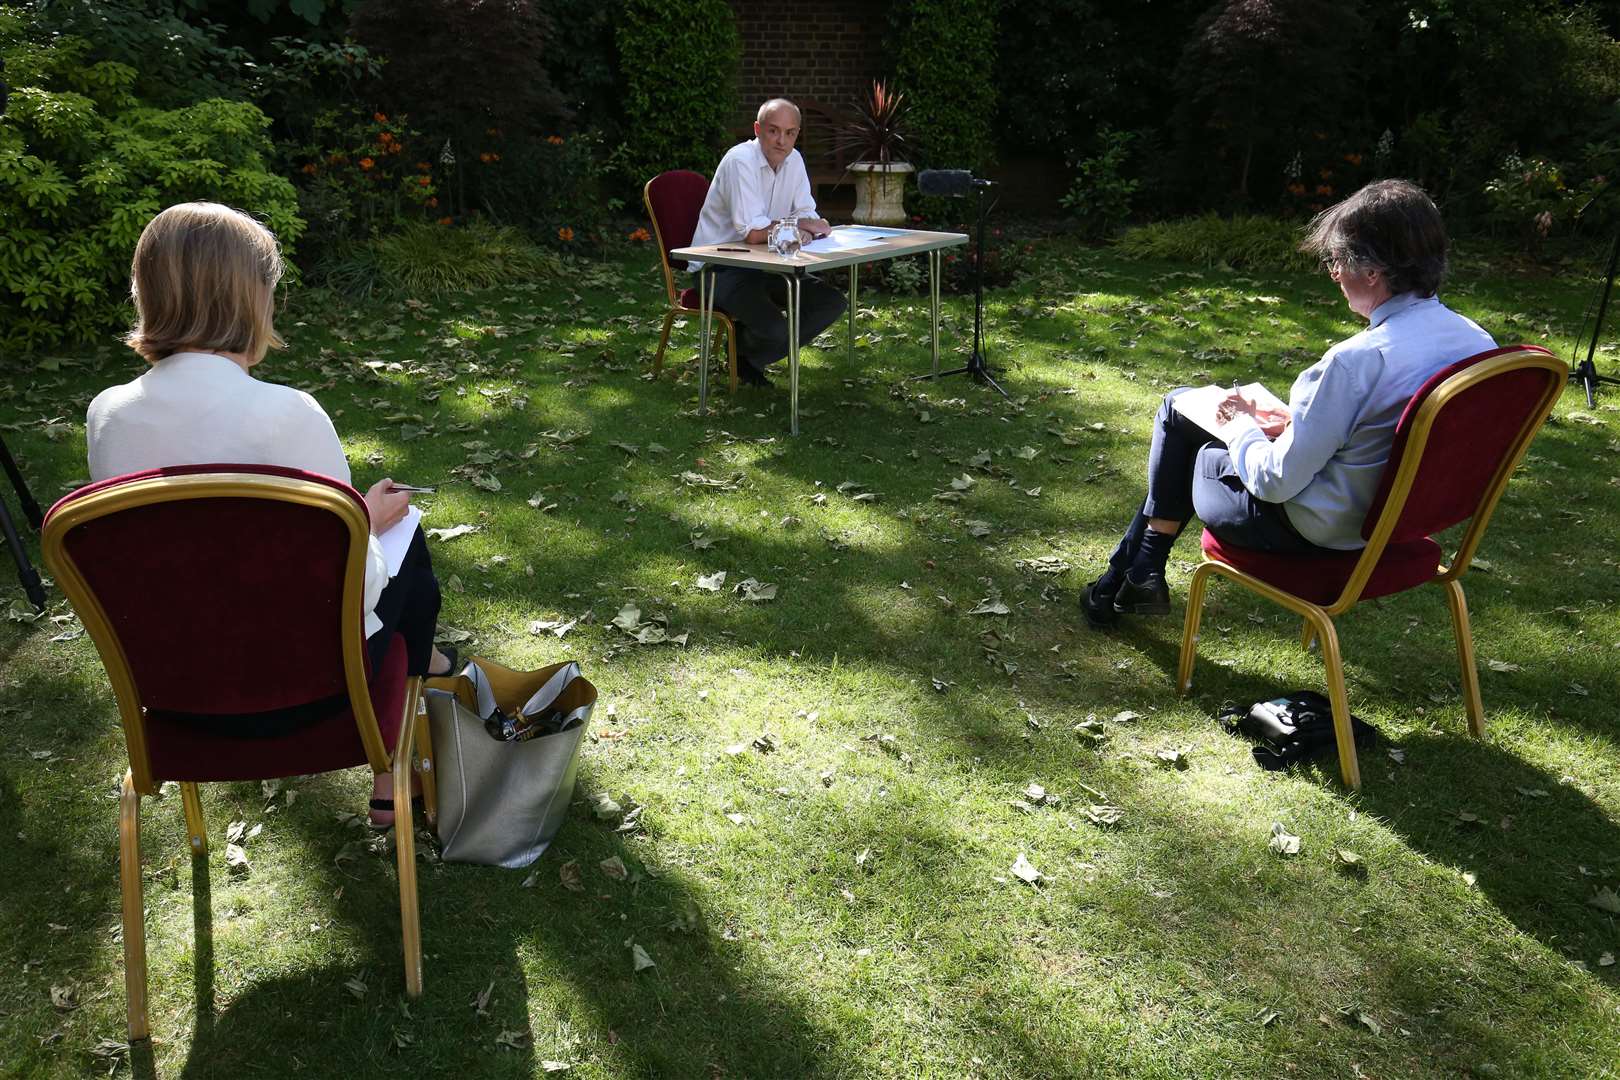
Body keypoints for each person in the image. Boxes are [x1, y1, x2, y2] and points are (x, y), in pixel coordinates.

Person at [85, 202, 453, 827]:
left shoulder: (107, 414)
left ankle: (429, 673)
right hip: (320, 696)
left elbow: (160, 553)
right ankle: (395, 751)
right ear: (251, 298)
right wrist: (363, 520)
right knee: (407, 550)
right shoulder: (291, 415)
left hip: (175, 699)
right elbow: (357, 588)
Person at [1082, 179, 1496, 627]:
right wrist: (1294, 422)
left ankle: (1136, 571)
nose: (1334, 273)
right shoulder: (1476, 343)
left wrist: (1241, 423)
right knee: (1184, 407)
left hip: (1318, 531)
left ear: (1372, 271)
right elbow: (1383, 434)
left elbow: (1273, 483)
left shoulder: (1355, 362)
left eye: (1337, 260)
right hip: (1397, 520)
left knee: (1186, 428)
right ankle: (1132, 575)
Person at [690, 97, 846, 387]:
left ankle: (746, 354)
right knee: (776, 330)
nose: (781, 141)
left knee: (831, 302)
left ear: (797, 134)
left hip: (765, 264)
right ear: (757, 129)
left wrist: (806, 227)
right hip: (718, 268)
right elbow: (754, 232)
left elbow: (807, 215)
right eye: (773, 131)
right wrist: (801, 227)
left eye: (790, 133)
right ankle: (747, 354)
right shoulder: (740, 161)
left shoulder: (794, 160)